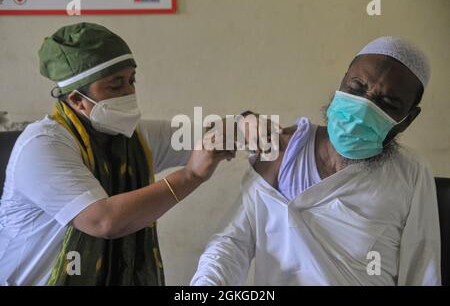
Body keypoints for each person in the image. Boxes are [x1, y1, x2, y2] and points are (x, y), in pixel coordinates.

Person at [191, 36, 441, 286]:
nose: (363, 108)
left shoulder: (410, 174)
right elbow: (231, 244)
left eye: (386, 103)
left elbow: (422, 268)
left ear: (408, 118)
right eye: (356, 87)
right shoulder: (284, 149)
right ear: (342, 82)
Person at [0, 22, 236, 285]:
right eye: (115, 86)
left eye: (131, 80)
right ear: (77, 100)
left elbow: (206, 134)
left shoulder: (132, 139)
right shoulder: (43, 145)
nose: (129, 93)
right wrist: (190, 176)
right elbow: (103, 222)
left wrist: (249, 126)